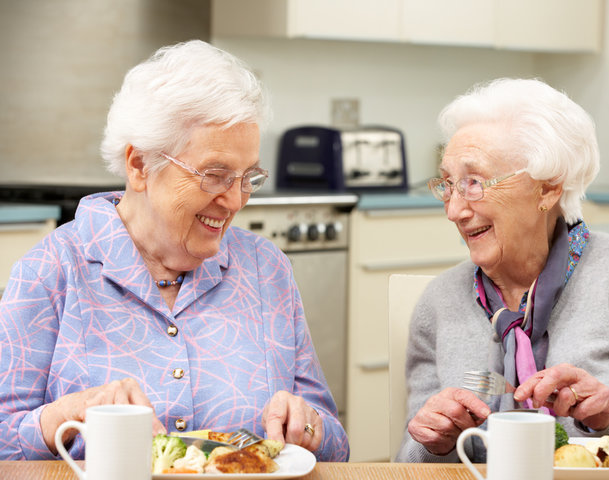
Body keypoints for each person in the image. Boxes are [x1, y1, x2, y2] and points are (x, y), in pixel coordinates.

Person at [0, 40, 349, 462]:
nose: (236, 201)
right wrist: (66, 414)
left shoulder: (266, 269)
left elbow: (335, 445)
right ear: (140, 165)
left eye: (247, 177)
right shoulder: (50, 272)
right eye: (216, 175)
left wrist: (307, 424)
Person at [395, 78, 609, 462]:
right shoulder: (440, 301)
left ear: (547, 189)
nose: (454, 210)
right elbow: (408, 461)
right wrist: (435, 441)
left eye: (475, 182)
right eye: (449, 184)